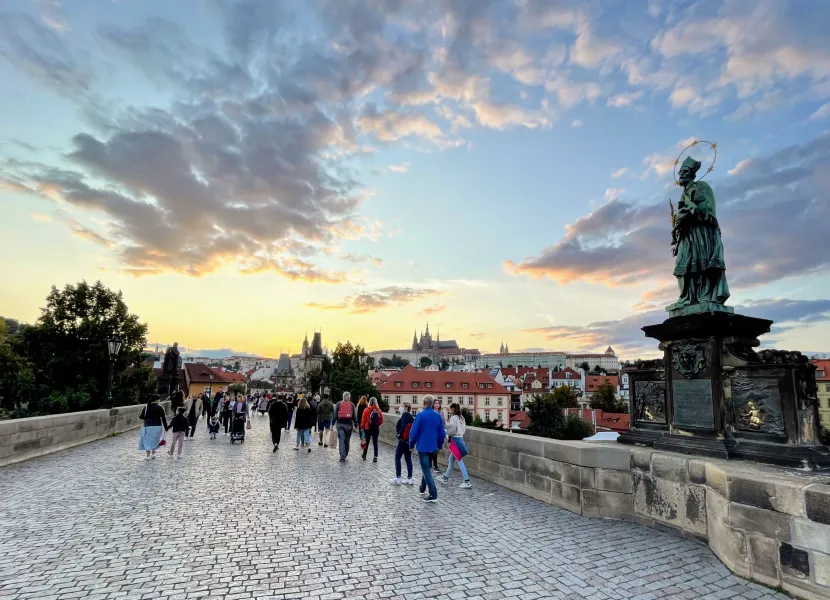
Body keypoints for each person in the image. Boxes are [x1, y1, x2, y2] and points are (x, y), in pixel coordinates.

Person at [409, 394, 445, 503]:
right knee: (427, 467)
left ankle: (433, 494)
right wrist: (439, 445)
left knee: (426, 470)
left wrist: (411, 445)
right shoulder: (437, 415)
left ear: (424, 403)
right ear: (432, 403)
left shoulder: (420, 415)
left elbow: (413, 432)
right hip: (433, 447)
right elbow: (442, 433)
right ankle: (422, 488)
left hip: (423, 447)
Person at [440, 403, 472, 489]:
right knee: (451, 459)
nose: (450, 410)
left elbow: (453, 431)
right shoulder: (462, 418)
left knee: (460, 460)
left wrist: (446, 431)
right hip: (460, 439)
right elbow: (463, 430)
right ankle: (445, 477)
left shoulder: (453, 418)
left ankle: (467, 481)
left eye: (450, 409)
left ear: (453, 409)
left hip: (456, 440)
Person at [138, 394, 169, 459]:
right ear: (157, 400)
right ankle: (153, 454)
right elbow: (164, 418)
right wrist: (166, 427)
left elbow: (141, 416)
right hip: (157, 426)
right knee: (155, 440)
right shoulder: (160, 407)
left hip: (148, 425)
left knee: (147, 440)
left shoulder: (146, 407)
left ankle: (148, 455)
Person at [390, 402, 414, 485]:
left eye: (402, 406)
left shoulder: (405, 415)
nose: (401, 407)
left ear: (406, 408)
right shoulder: (411, 417)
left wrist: (399, 434)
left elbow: (403, 426)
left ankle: (398, 477)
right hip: (409, 441)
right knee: (408, 459)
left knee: (397, 457)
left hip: (403, 441)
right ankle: (410, 478)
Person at [333, 391, 358, 462]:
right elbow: (354, 416)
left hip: (340, 424)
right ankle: (346, 453)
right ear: (349, 397)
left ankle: (342, 456)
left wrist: (332, 423)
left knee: (341, 440)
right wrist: (356, 423)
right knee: (347, 441)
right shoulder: (352, 404)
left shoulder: (338, 404)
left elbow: (335, 415)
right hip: (349, 425)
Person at [360, 397, 384, 462]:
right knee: (375, 442)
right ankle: (375, 456)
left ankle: (364, 454)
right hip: (375, 428)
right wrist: (377, 424)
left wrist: (362, 427)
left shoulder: (366, 410)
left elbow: (363, 420)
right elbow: (381, 420)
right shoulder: (378, 410)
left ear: (369, 402)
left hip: (367, 428)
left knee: (366, 442)